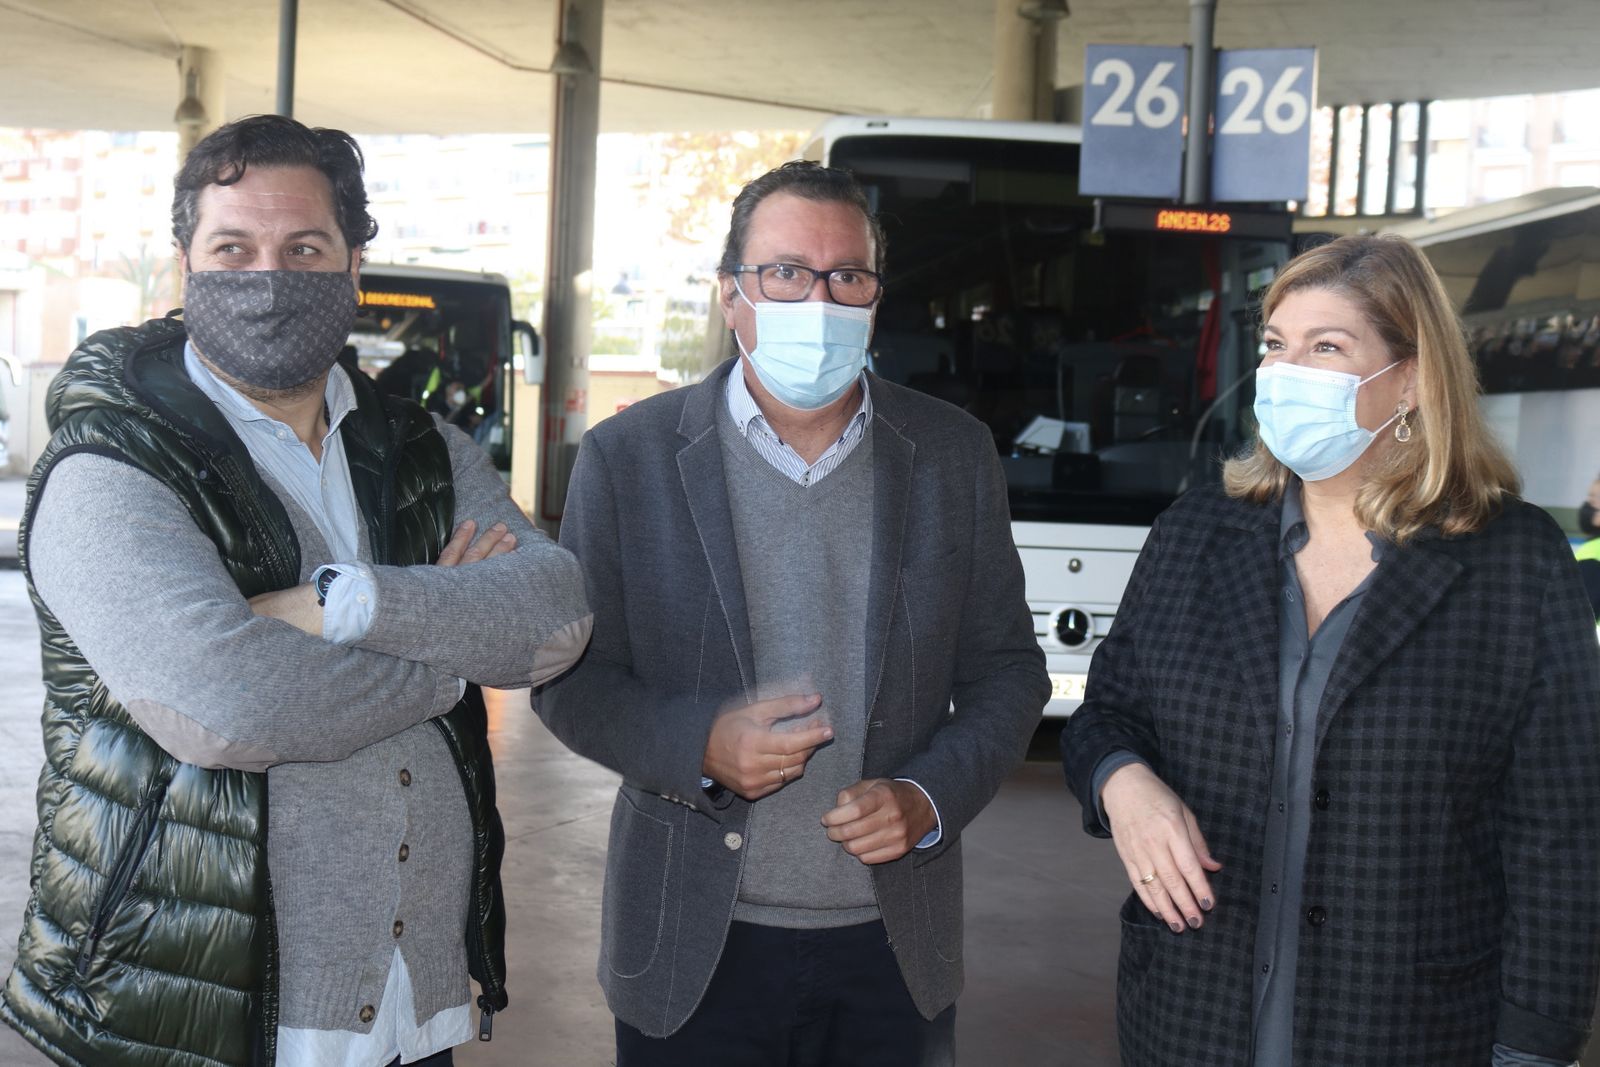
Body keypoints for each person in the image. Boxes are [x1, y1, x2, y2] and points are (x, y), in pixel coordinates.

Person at [1, 114, 593, 1067]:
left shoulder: (423, 448)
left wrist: (349, 603)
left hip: (412, 1004)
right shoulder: (111, 463)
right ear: (184, 266)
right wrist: (450, 659)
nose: (268, 278)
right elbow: (227, 702)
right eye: (233, 248)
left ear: (355, 265)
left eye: (305, 249)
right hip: (193, 1009)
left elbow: (555, 616)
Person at [535, 161, 1050, 1066]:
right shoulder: (628, 457)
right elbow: (570, 679)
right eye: (784, 272)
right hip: (692, 941)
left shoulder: (952, 455)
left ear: (875, 297)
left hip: (893, 945)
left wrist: (928, 796)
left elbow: (1008, 671)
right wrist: (697, 744)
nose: (818, 301)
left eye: (846, 275)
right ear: (730, 294)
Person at [1060, 233, 1600, 1067]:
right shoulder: (1195, 533)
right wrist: (1121, 781)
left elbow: (1560, 832)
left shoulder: (1515, 563)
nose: (1285, 372)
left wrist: (1533, 1047)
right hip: (1190, 1016)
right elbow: (1108, 712)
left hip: (1410, 1028)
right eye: (1277, 344)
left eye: (1326, 348)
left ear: (1411, 378)